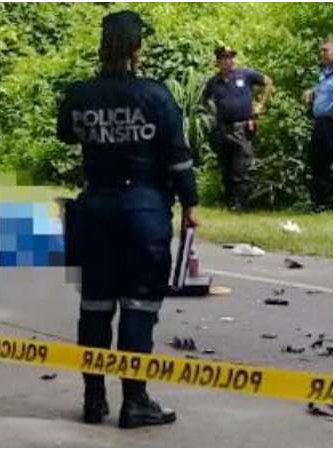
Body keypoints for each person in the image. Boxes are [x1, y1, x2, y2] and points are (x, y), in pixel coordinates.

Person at [57, 11, 199, 429]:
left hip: (95, 209)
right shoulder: (155, 96)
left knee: (94, 306)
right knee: (138, 306)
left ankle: (93, 399)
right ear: (137, 47)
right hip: (144, 209)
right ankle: (135, 401)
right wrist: (190, 204)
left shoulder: (80, 94)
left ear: (103, 47)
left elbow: (66, 134)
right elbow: (178, 156)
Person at [202, 46, 273, 210]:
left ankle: (241, 204)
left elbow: (268, 82)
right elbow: (205, 100)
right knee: (226, 169)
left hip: (243, 128)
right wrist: (213, 114)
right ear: (218, 61)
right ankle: (230, 202)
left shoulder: (245, 75)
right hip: (224, 129)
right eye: (224, 58)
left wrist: (260, 105)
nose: (228, 61)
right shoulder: (214, 82)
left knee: (241, 169)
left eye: (230, 57)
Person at [303, 36, 332, 210]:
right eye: (322, 50)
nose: (323, 53)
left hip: (331, 123)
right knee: (318, 161)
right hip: (320, 123)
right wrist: (311, 91)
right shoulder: (325, 74)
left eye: (326, 50)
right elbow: (324, 90)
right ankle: (322, 201)